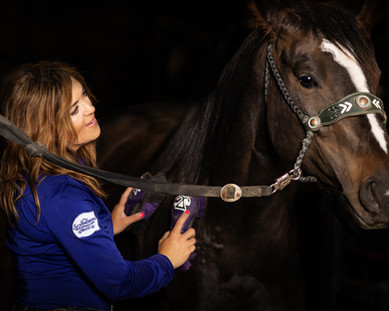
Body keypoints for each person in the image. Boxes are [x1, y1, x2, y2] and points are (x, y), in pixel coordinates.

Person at [0, 61, 196, 311]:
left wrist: (107, 225)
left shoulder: (37, 170)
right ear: (47, 129)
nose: (91, 108)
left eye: (84, 95)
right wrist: (167, 259)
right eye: (74, 110)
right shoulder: (65, 197)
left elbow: (52, 243)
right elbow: (119, 283)